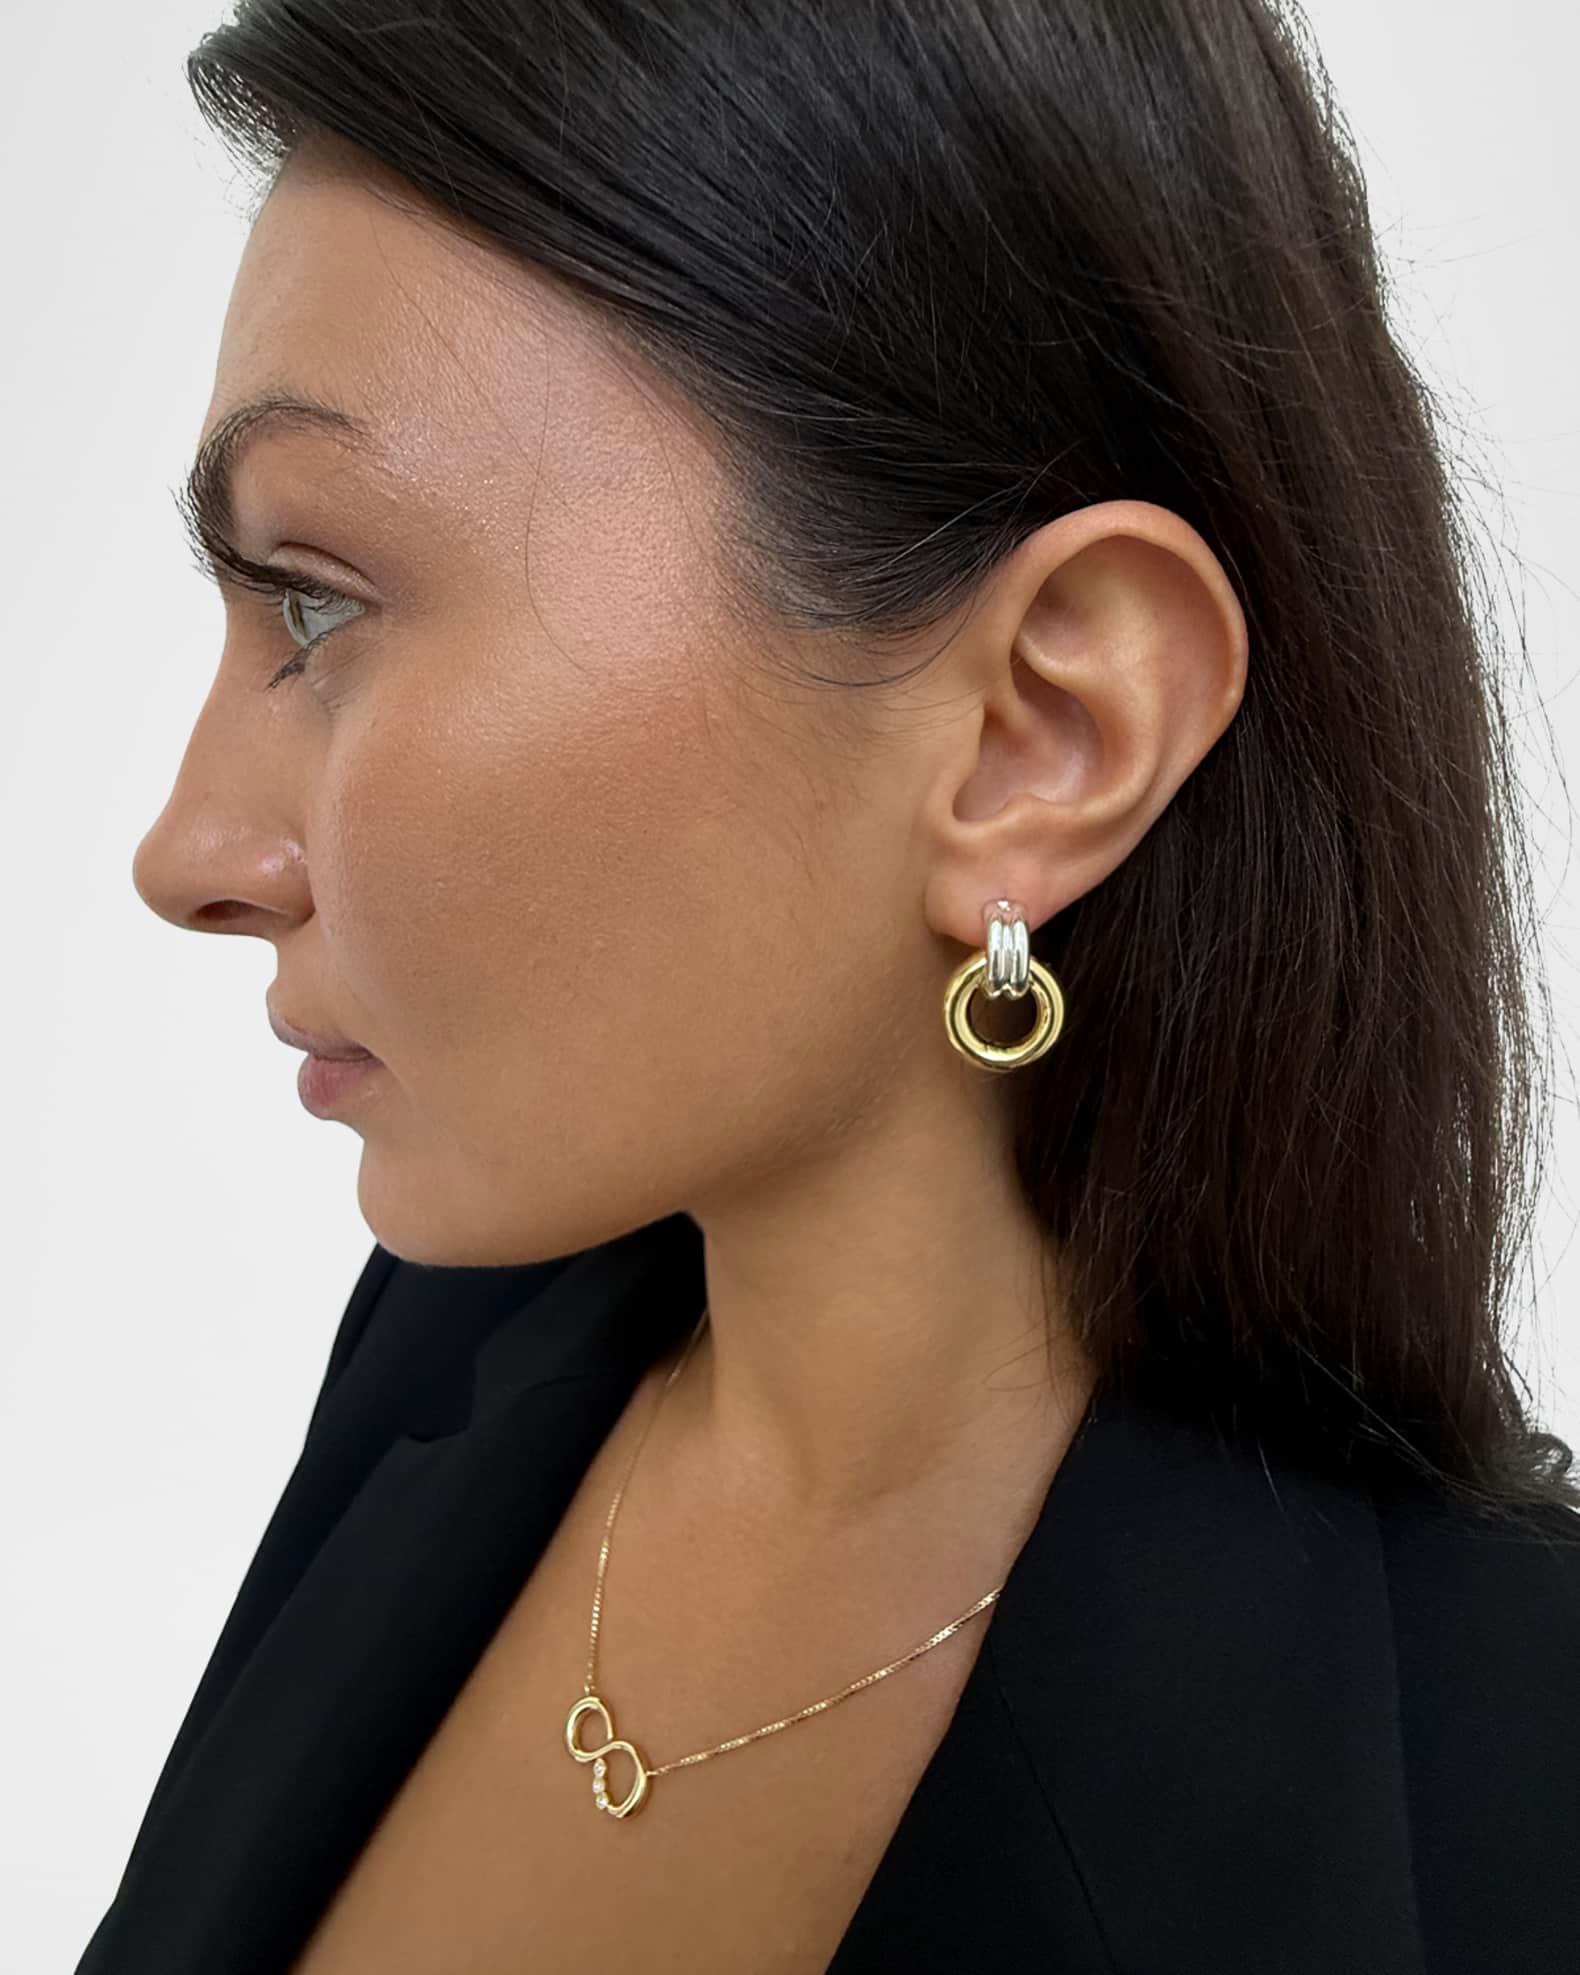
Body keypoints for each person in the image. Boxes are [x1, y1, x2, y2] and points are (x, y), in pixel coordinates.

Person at [80, 1, 1579, 1970]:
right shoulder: (454, 1359)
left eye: (319, 602)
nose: (188, 851)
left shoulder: (1505, 1810)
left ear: (1041, 731)